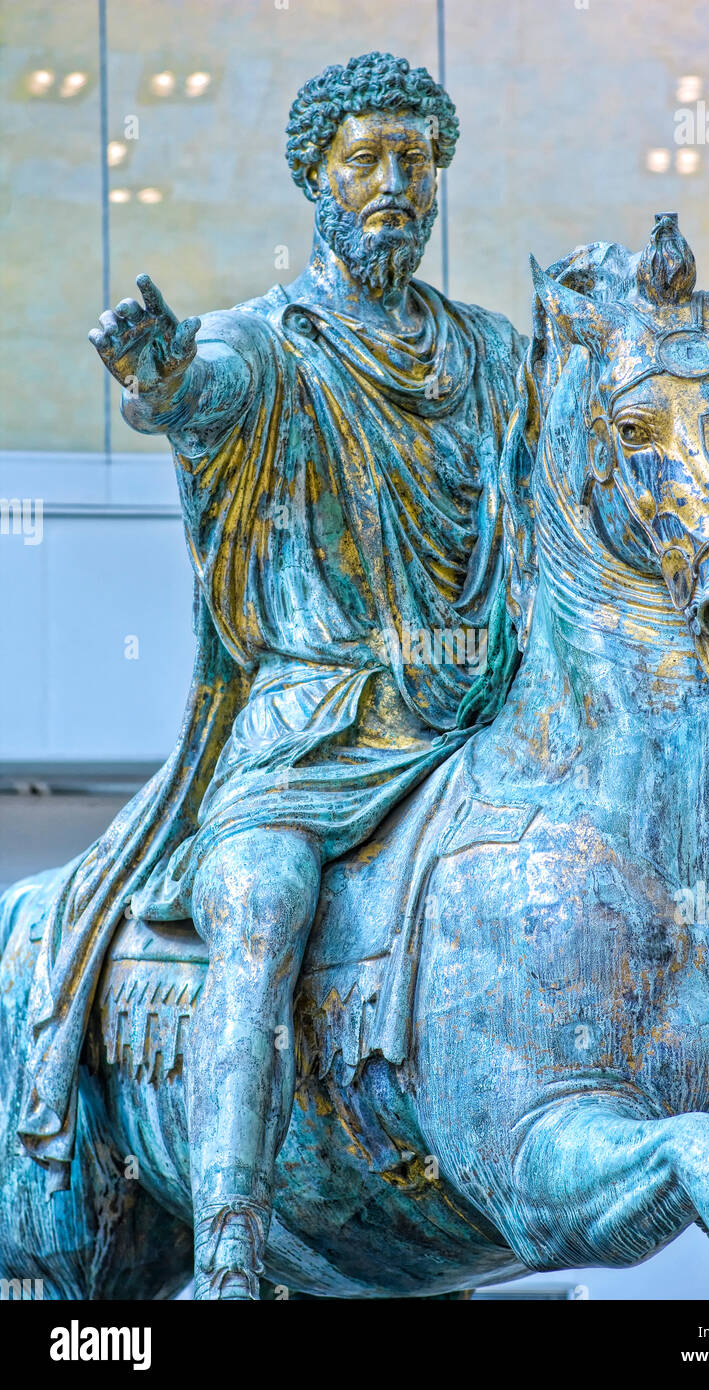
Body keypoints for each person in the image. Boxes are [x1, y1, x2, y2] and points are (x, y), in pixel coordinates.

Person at [19, 52, 525, 1298]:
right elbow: (205, 392)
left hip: (470, 724)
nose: (394, 182)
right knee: (261, 906)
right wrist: (164, 378)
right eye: (365, 160)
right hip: (309, 731)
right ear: (315, 179)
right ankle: (231, 1246)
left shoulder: (489, 355)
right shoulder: (273, 344)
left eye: (415, 161)